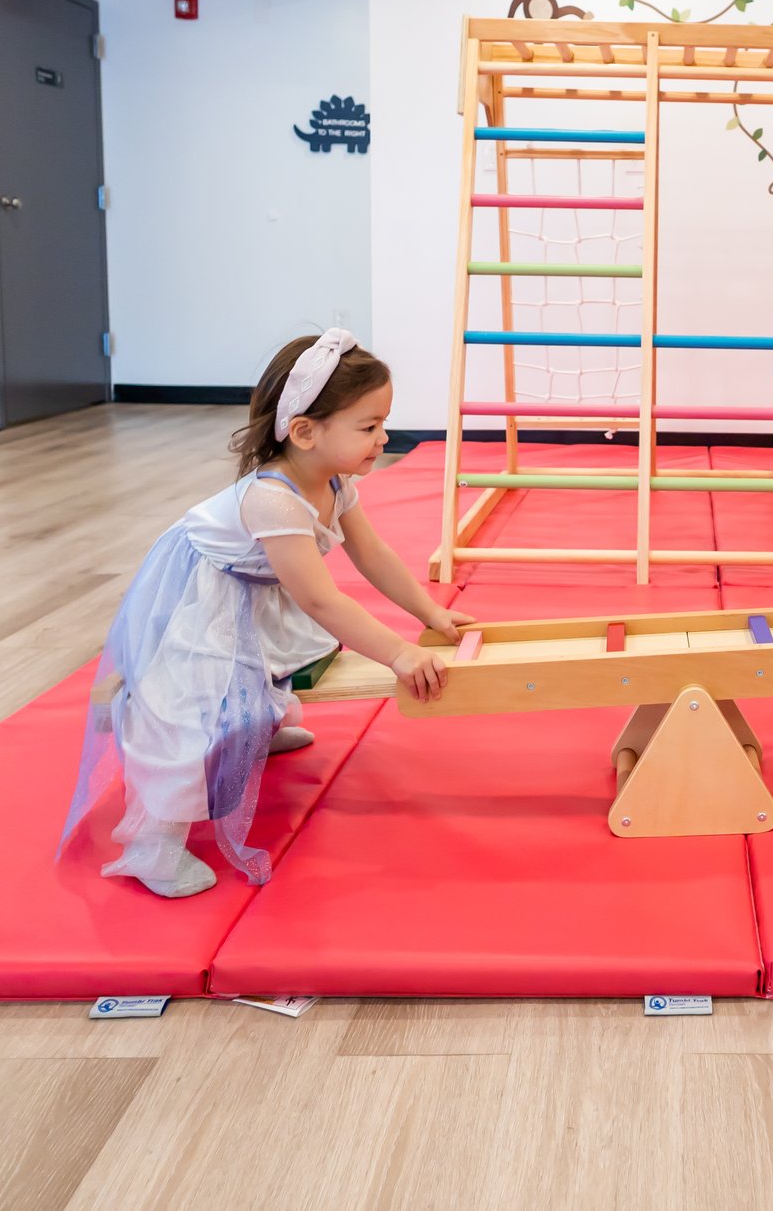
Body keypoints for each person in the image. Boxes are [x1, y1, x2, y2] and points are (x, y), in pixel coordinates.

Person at [61, 329, 469, 896]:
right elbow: (320, 598)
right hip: (205, 596)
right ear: (303, 432)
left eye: (382, 424)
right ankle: (152, 844)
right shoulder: (274, 498)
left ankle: (258, 728)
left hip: (254, 591)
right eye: (369, 426)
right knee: (192, 707)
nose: (384, 437)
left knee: (266, 666)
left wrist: (432, 612)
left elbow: (372, 555)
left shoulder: (335, 481)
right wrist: (399, 652)